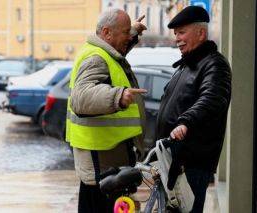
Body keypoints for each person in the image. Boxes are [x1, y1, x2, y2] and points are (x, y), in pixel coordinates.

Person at [66, 9, 147, 212]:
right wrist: (117, 96)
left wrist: (133, 32)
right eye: (125, 32)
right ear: (107, 32)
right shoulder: (95, 58)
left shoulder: (103, 51)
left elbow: (116, 54)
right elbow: (81, 97)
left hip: (106, 159)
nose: (128, 37)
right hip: (100, 163)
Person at [155, 6, 232, 213]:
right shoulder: (186, 65)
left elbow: (212, 98)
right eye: (175, 34)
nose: (177, 39)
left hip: (191, 165)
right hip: (173, 161)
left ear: (201, 33)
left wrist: (185, 121)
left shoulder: (215, 65)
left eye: (182, 32)